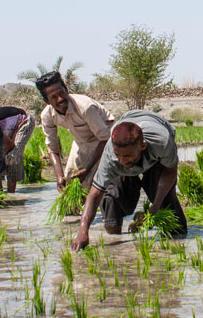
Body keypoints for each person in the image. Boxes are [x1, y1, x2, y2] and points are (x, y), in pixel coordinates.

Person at [72, 111, 185, 250]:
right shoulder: (111, 156)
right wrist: (83, 231)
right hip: (128, 128)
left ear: (143, 146)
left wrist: (155, 207)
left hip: (156, 150)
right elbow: (94, 194)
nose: (122, 161)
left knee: (177, 229)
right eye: (118, 155)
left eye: (127, 155)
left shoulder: (162, 142)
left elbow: (170, 173)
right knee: (111, 199)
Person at [35, 71, 115, 192]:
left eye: (62, 92)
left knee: (100, 189)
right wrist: (59, 176)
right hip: (81, 142)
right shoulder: (47, 115)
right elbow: (52, 148)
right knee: (69, 190)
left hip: (106, 140)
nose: (60, 99)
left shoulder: (85, 107)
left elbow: (105, 139)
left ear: (66, 89)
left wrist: (87, 170)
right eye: (53, 97)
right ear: (46, 101)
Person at [0, 106, 35, 193]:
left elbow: (10, 145)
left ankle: (11, 193)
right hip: (8, 129)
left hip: (23, 121)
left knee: (13, 156)